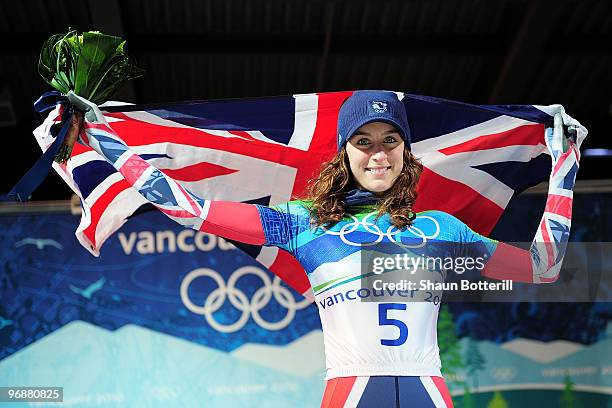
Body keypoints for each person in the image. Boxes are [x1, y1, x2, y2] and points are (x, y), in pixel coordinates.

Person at [66, 90, 580, 407]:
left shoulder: (443, 228)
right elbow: (192, 209)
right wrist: (113, 147)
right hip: (351, 394)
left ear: (405, 149)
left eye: (389, 140)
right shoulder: (303, 224)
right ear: (344, 153)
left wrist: (562, 167)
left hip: (429, 391)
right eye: (363, 141)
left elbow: (544, 267)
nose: (378, 154)